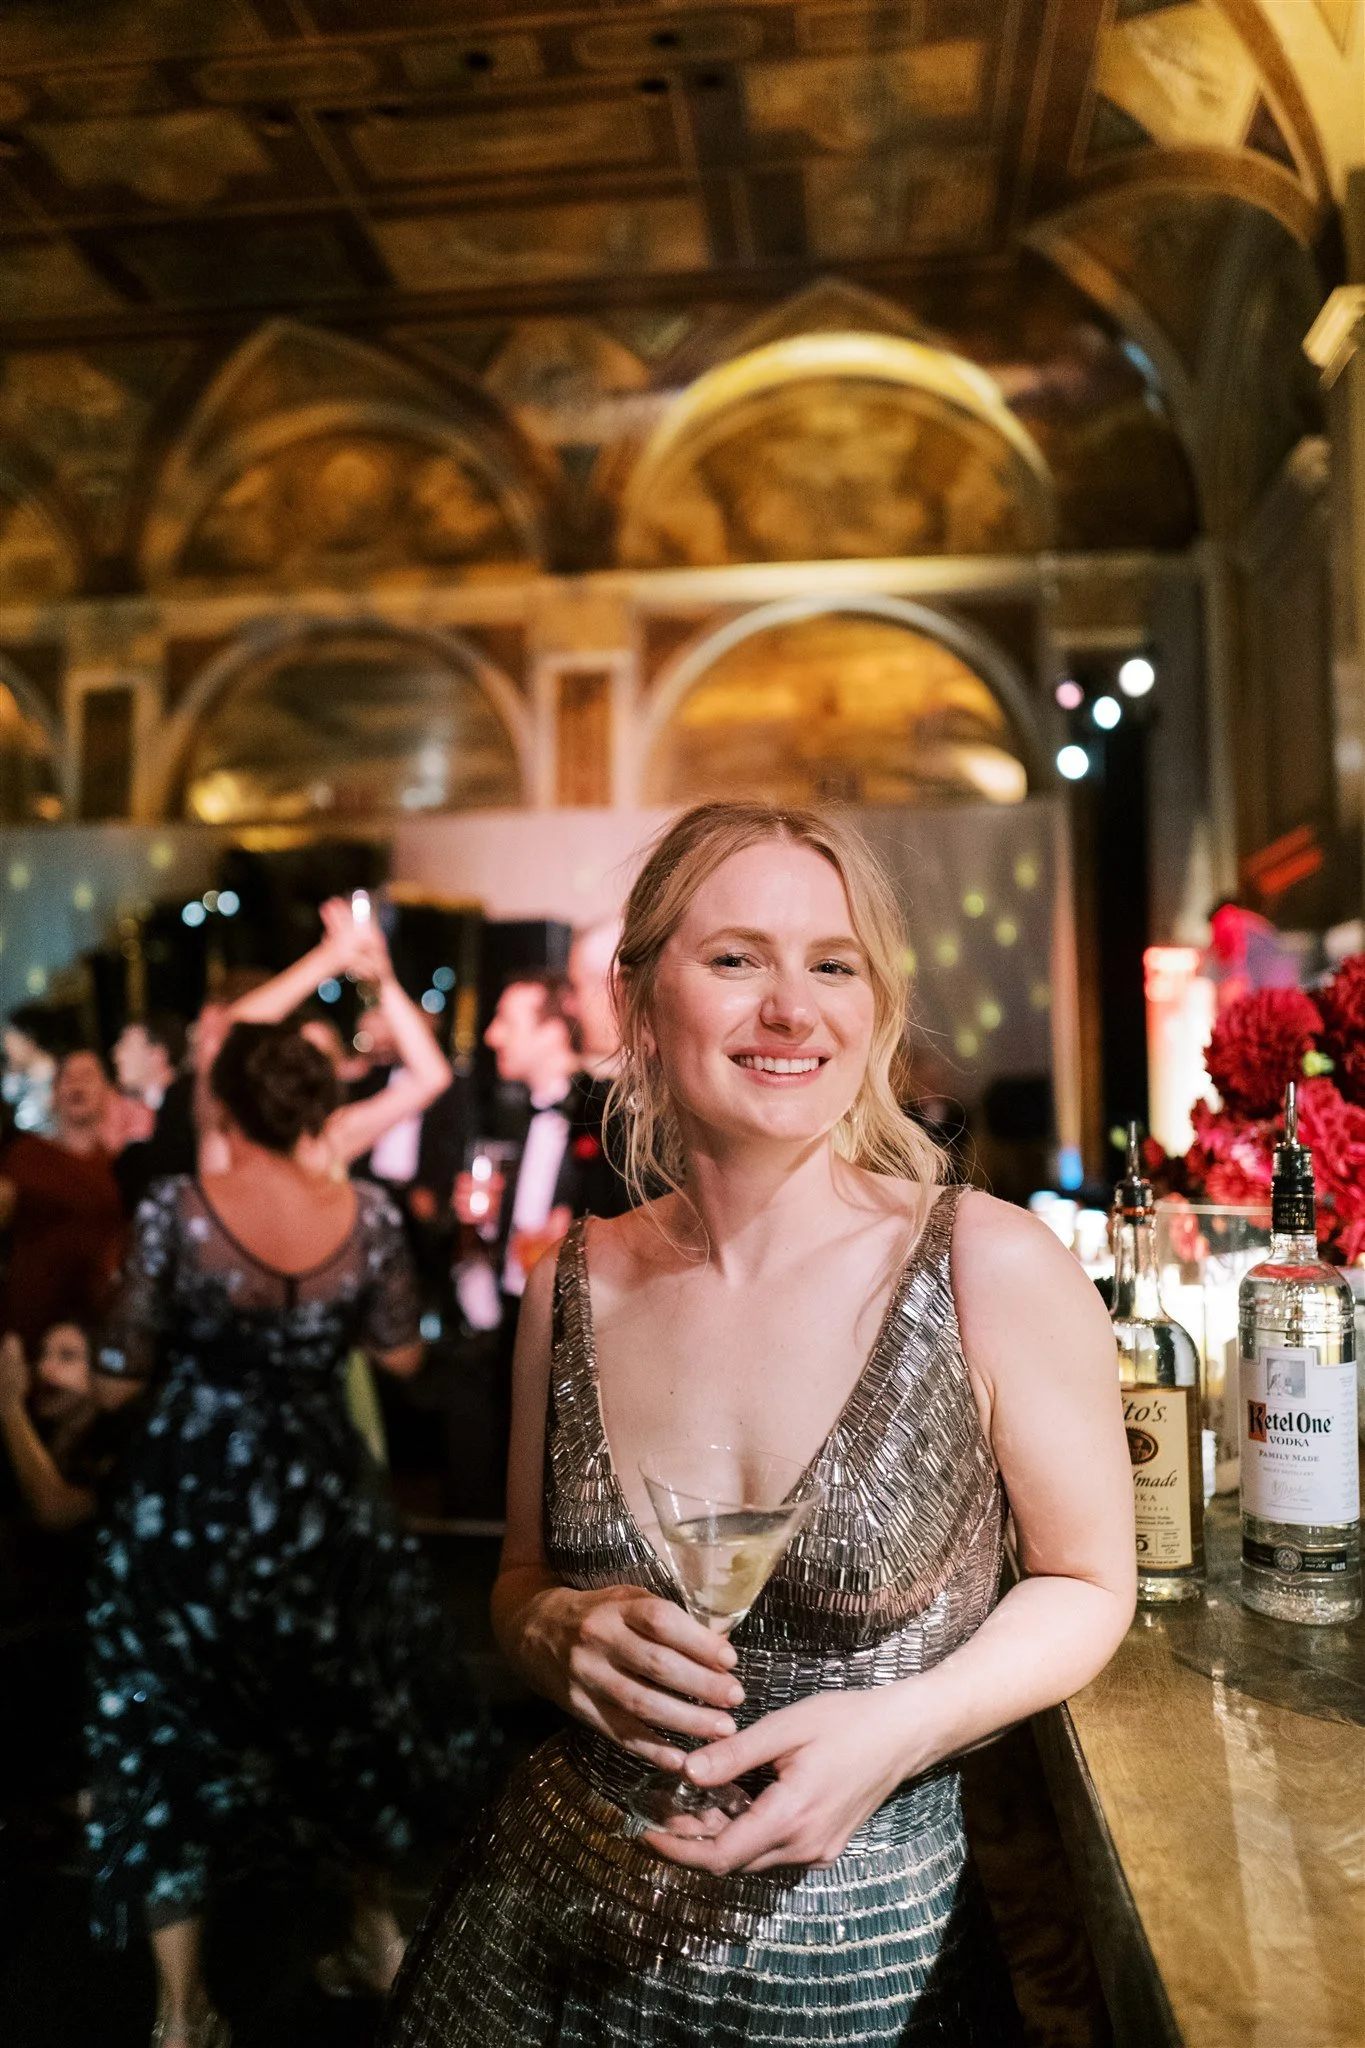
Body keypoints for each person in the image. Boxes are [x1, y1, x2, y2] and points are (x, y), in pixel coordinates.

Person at [384, 801, 1135, 2046]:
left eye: (833, 965)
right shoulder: (569, 1283)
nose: (791, 1007)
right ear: (640, 999)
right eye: (736, 958)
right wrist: (554, 1629)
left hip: (866, 1968)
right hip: (544, 1948)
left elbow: (1090, 1580)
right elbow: (518, 1581)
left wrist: (900, 1728)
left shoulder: (988, 1265)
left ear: (874, 1007)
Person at [87, 1021, 490, 2048]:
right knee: (345, 1704)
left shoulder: (177, 1209)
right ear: (317, 1106)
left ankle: (181, 2011)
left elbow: (117, 1377)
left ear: (224, 1105)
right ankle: (374, 1938)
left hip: (193, 1493)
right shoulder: (368, 1213)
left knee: (168, 1720)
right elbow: (400, 1357)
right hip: (319, 1489)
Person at [0, 1050, 126, 1356]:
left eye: (87, 1076)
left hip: (95, 1335)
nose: (75, 1084)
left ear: (108, 1093)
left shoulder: (122, 1170)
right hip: (26, 1332)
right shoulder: (28, 1155)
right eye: (67, 1077)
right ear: (55, 1094)